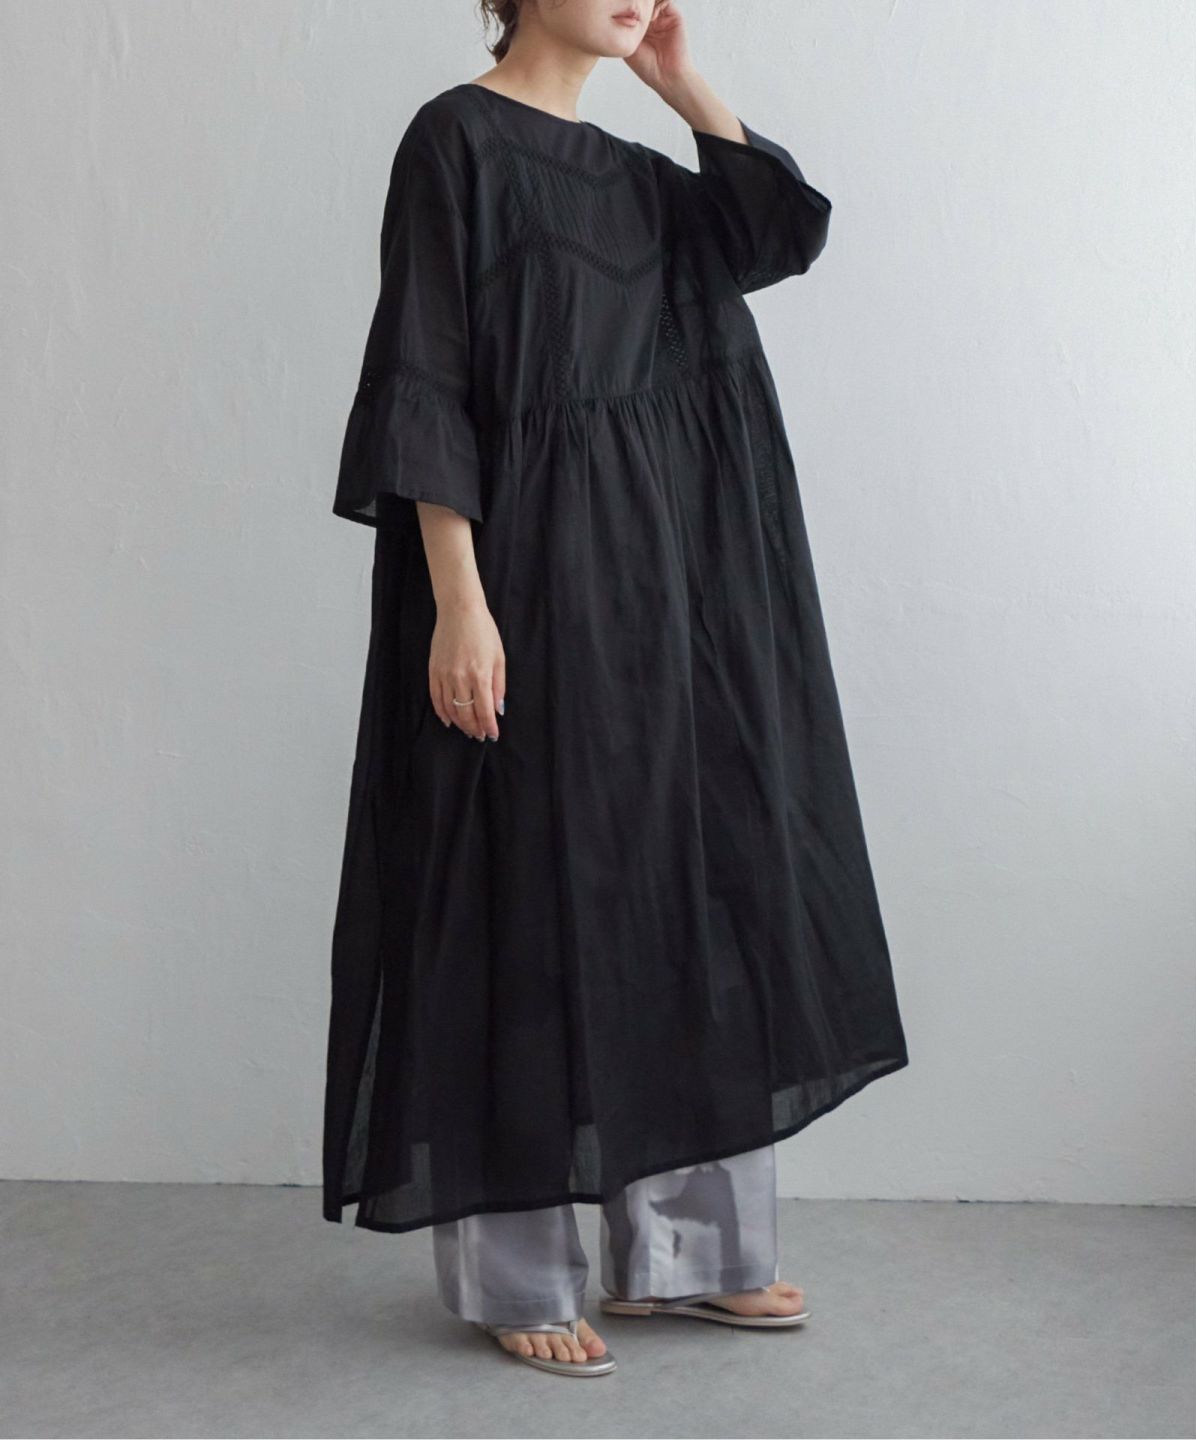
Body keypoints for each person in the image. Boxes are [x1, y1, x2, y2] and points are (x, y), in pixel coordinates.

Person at [322, 0, 909, 1377]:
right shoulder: (455, 141)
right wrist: (460, 602)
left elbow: (778, 233)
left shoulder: (645, 178)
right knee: (522, 895)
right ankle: (519, 1271)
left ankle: (689, 1258)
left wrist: (684, 83)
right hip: (525, 579)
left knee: (690, 885)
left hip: (678, 584)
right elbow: (426, 372)